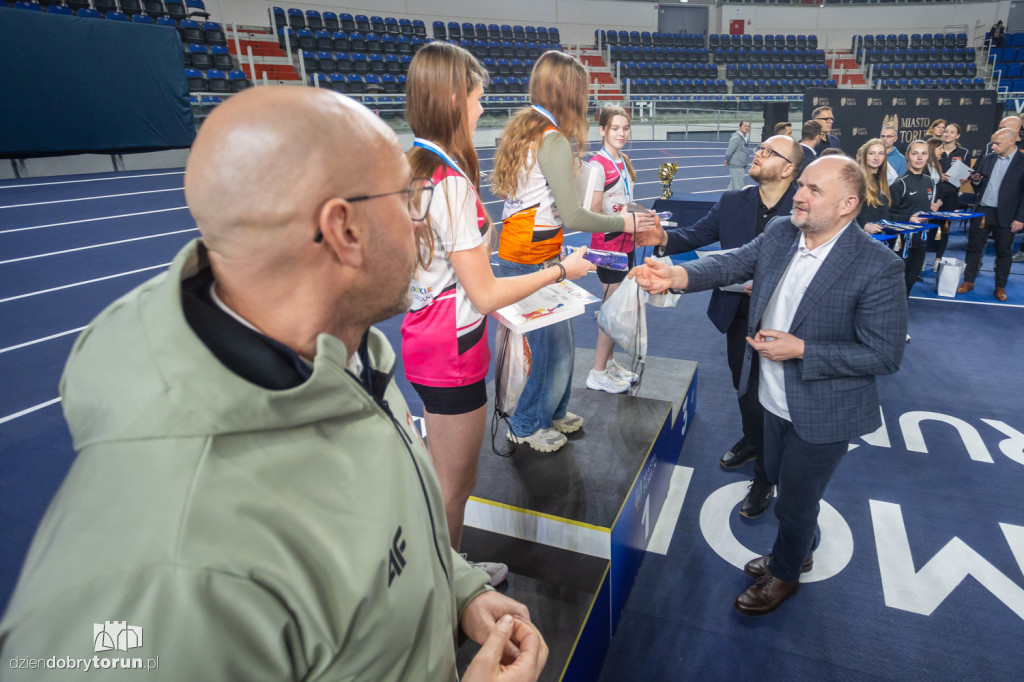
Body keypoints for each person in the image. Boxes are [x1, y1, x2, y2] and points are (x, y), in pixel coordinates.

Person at [0, 87, 549, 682]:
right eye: (404, 196)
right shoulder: (165, 567)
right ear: (344, 230)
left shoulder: (349, 352)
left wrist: (457, 589)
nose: (419, 215)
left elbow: (382, 534)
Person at [630, 155, 907, 615]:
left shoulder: (878, 266)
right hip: (769, 395)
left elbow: (884, 355)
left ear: (847, 205)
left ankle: (784, 575)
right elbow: (730, 264)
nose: (798, 195)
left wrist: (801, 349)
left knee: (795, 505)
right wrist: (676, 276)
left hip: (823, 409)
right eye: (801, 185)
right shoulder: (782, 232)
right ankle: (797, 551)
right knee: (780, 483)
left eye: (813, 190)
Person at [400, 43, 593, 582]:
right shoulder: (453, 183)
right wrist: (560, 272)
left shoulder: (414, 167)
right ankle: (448, 583)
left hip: (422, 335)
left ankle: (442, 569)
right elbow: (484, 297)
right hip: (453, 348)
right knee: (454, 485)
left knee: (441, 477)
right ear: (454, 98)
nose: (483, 108)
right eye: (479, 97)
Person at [491, 50, 655, 452]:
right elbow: (577, 216)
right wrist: (627, 223)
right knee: (548, 349)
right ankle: (527, 424)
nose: (588, 98)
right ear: (569, 93)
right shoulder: (551, 139)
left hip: (533, 251)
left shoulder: (533, 130)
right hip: (528, 258)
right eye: (583, 90)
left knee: (562, 343)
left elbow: (541, 209)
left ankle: (553, 411)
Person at [636, 135, 802, 519]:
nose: (757, 154)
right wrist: (662, 238)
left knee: (777, 399)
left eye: (768, 152)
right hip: (739, 313)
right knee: (743, 387)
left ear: (789, 168)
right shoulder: (732, 202)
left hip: (787, 320)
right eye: (759, 148)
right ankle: (751, 440)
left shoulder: (803, 206)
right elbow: (695, 237)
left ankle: (765, 477)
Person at [586, 105, 642, 394]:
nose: (621, 133)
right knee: (612, 312)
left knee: (615, 309)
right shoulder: (597, 166)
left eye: (625, 128)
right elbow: (593, 212)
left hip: (627, 242)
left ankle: (608, 364)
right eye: (615, 128)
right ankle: (597, 372)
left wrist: (640, 218)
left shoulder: (623, 160)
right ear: (602, 131)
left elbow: (624, 201)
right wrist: (626, 221)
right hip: (610, 247)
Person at [957, 128, 1024, 302]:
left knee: (1004, 252)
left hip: (1008, 215)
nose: (992, 146)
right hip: (983, 211)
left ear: (1011, 142)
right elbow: (977, 185)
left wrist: (1020, 218)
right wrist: (977, 181)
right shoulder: (987, 158)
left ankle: (1000, 286)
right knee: (973, 247)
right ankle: (968, 281)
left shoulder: (1023, 161)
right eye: (992, 142)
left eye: (997, 143)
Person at [889, 139, 940, 299]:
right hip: (902, 241)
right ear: (907, 156)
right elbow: (888, 215)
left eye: (924, 153)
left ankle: (902, 306)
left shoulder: (929, 181)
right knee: (898, 279)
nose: (919, 158)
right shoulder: (899, 184)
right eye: (915, 153)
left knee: (912, 277)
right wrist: (908, 218)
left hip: (921, 239)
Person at [932, 126, 968, 265]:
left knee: (944, 228)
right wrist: (938, 175)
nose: (947, 134)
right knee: (928, 226)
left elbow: (967, 174)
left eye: (952, 132)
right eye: (946, 131)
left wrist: (966, 179)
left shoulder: (964, 152)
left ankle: (938, 258)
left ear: (958, 135)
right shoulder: (934, 149)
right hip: (933, 194)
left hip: (951, 194)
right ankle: (922, 259)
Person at [856, 138, 891, 235]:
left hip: (880, 240)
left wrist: (909, 218)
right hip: (861, 240)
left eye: (881, 153)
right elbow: (843, 215)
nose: (876, 158)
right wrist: (864, 225)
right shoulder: (856, 181)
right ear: (864, 156)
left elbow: (885, 214)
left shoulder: (882, 181)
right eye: (871, 153)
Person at [725, 120, 752, 190]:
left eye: (748, 126)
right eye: (744, 126)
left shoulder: (745, 138)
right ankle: (738, 200)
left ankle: (725, 199)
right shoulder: (736, 138)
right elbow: (729, 152)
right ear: (739, 127)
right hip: (737, 165)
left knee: (732, 186)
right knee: (739, 186)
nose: (747, 128)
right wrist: (727, 160)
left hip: (741, 165)